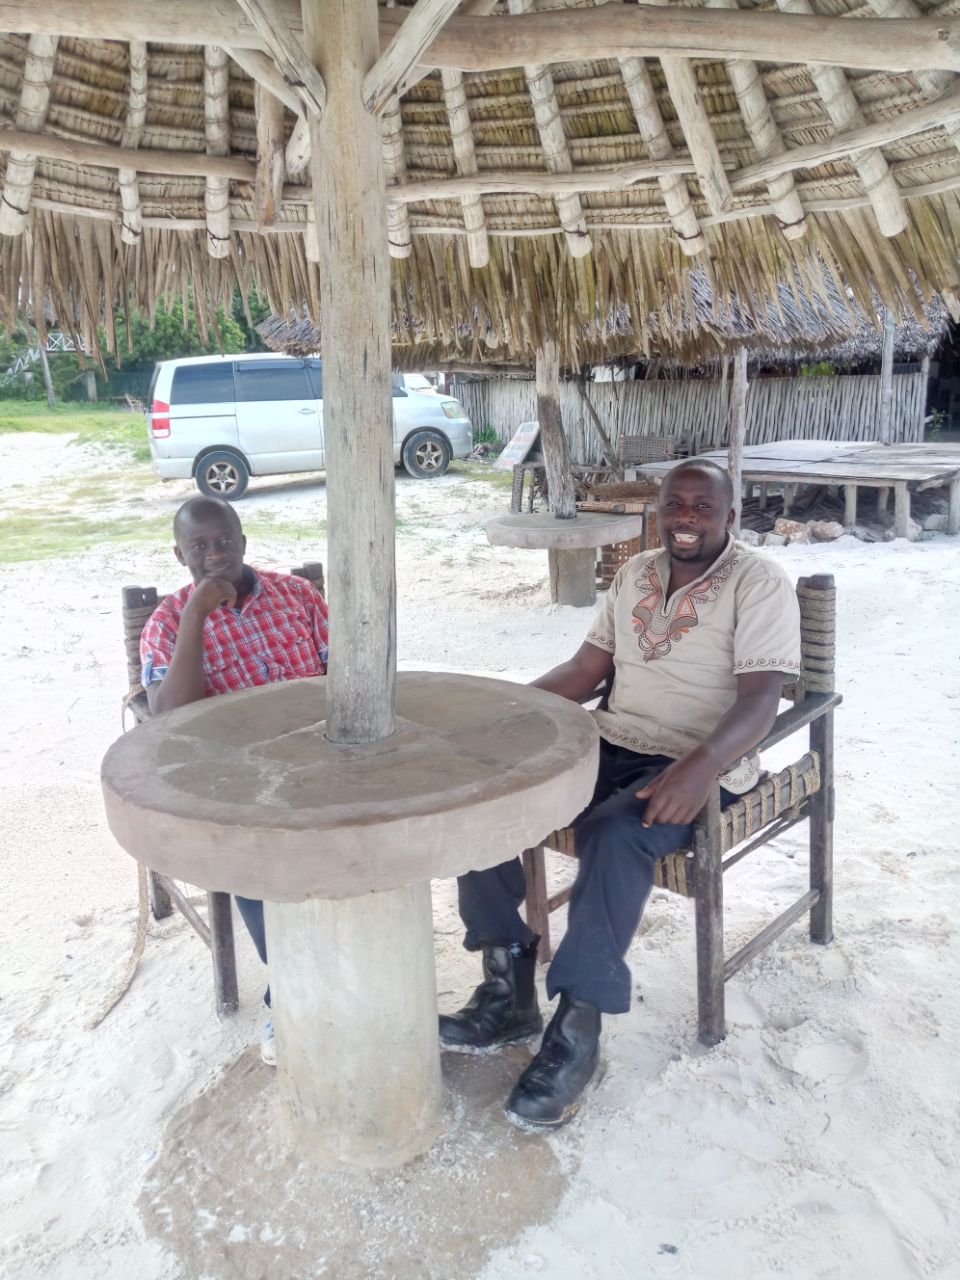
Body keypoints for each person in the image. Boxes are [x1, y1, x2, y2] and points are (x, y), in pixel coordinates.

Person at [440, 461, 801, 1128]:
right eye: (675, 505)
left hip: (704, 759)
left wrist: (702, 766)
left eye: (702, 507)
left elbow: (761, 701)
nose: (686, 518)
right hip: (612, 738)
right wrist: (504, 711)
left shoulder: (760, 584)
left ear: (729, 514)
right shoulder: (635, 574)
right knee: (486, 797)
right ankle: (506, 991)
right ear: (658, 511)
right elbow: (586, 670)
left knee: (615, 832)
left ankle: (578, 1032)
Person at [139, 496, 329, 1065]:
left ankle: (341, 966)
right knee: (248, 846)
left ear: (244, 541)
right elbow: (170, 718)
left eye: (224, 541)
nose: (215, 555)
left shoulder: (298, 597)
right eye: (200, 547)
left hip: (318, 757)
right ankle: (288, 993)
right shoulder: (167, 623)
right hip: (233, 775)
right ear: (180, 555)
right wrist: (198, 613)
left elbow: (344, 674)